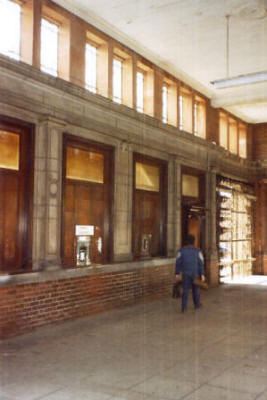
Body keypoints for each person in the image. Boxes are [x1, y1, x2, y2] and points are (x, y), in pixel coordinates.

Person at [175, 234, 205, 313]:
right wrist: (202, 274)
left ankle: (184, 307)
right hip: (195, 274)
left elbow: (178, 262)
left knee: (185, 290)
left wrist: (177, 273)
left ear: (186, 241)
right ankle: (197, 305)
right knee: (196, 290)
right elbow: (201, 262)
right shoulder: (198, 251)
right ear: (193, 242)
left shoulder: (181, 251)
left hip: (185, 274)